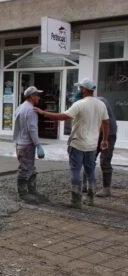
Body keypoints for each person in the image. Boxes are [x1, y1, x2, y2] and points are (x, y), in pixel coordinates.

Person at [34, 78, 109, 208]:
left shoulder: (80, 104)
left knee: (75, 171)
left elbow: (63, 117)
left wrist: (43, 112)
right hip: (92, 145)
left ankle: (76, 200)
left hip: (77, 143)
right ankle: (90, 198)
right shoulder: (101, 104)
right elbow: (106, 122)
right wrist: (104, 139)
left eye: (80, 88)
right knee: (90, 171)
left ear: (84, 89)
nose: (78, 90)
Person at [13, 86, 46, 203]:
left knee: (29, 168)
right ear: (31, 96)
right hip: (27, 144)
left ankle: (32, 191)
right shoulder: (31, 110)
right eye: (37, 95)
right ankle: (23, 193)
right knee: (25, 168)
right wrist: (38, 146)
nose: (38, 97)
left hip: (20, 143)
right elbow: (32, 129)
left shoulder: (20, 107)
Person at [83, 96, 117, 197]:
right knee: (88, 158)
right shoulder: (84, 104)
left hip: (109, 134)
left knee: (105, 160)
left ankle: (106, 189)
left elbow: (105, 123)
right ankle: (86, 185)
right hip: (96, 133)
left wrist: (102, 139)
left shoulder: (101, 103)